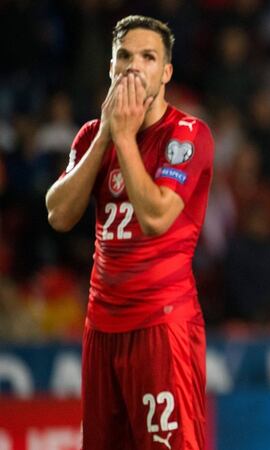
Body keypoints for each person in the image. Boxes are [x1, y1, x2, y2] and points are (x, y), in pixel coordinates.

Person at [45, 15, 213, 449]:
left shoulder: (187, 134)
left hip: (161, 324)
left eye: (148, 57)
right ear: (110, 67)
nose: (133, 66)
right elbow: (58, 214)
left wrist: (123, 138)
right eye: (124, 55)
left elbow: (157, 217)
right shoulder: (90, 137)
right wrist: (106, 134)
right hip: (101, 325)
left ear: (166, 72)